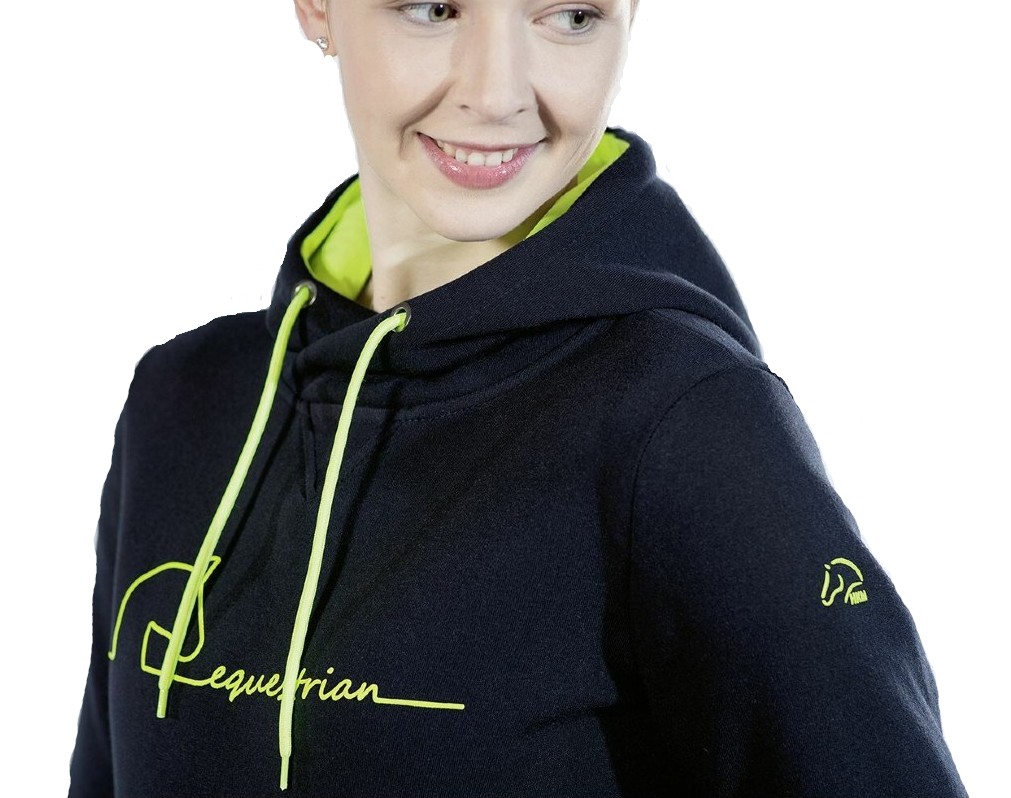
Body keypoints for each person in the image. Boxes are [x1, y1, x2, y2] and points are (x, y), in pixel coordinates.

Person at [69, 1, 967, 795]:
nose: (497, 93)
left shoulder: (685, 422)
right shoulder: (181, 400)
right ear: (316, 8)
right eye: (433, 9)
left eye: (571, 16)